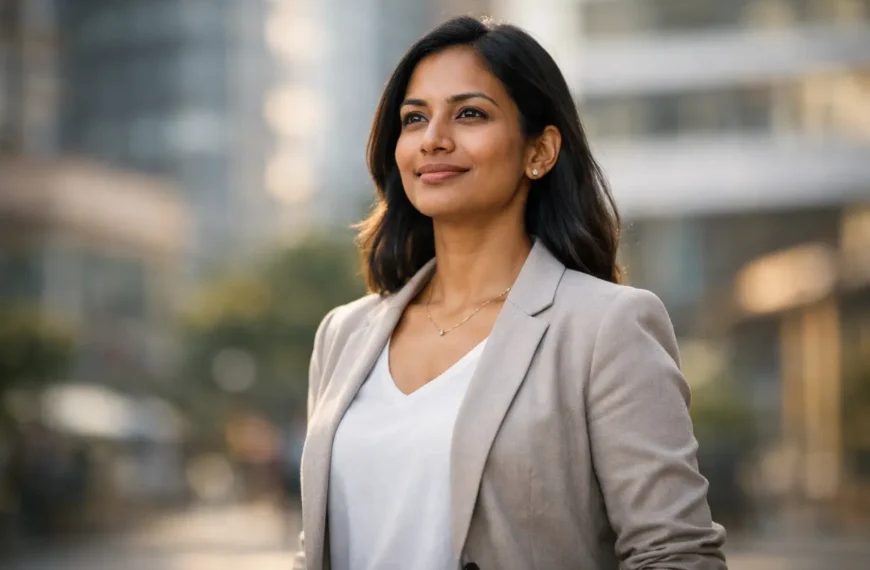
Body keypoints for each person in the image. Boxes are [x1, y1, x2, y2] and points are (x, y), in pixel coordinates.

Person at [294, 16, 727, 570]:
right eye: (414, 118)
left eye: (470, 113)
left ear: (540, 151)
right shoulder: (344, 334)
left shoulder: (605, 327)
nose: (434, 139)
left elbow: (675, 552)